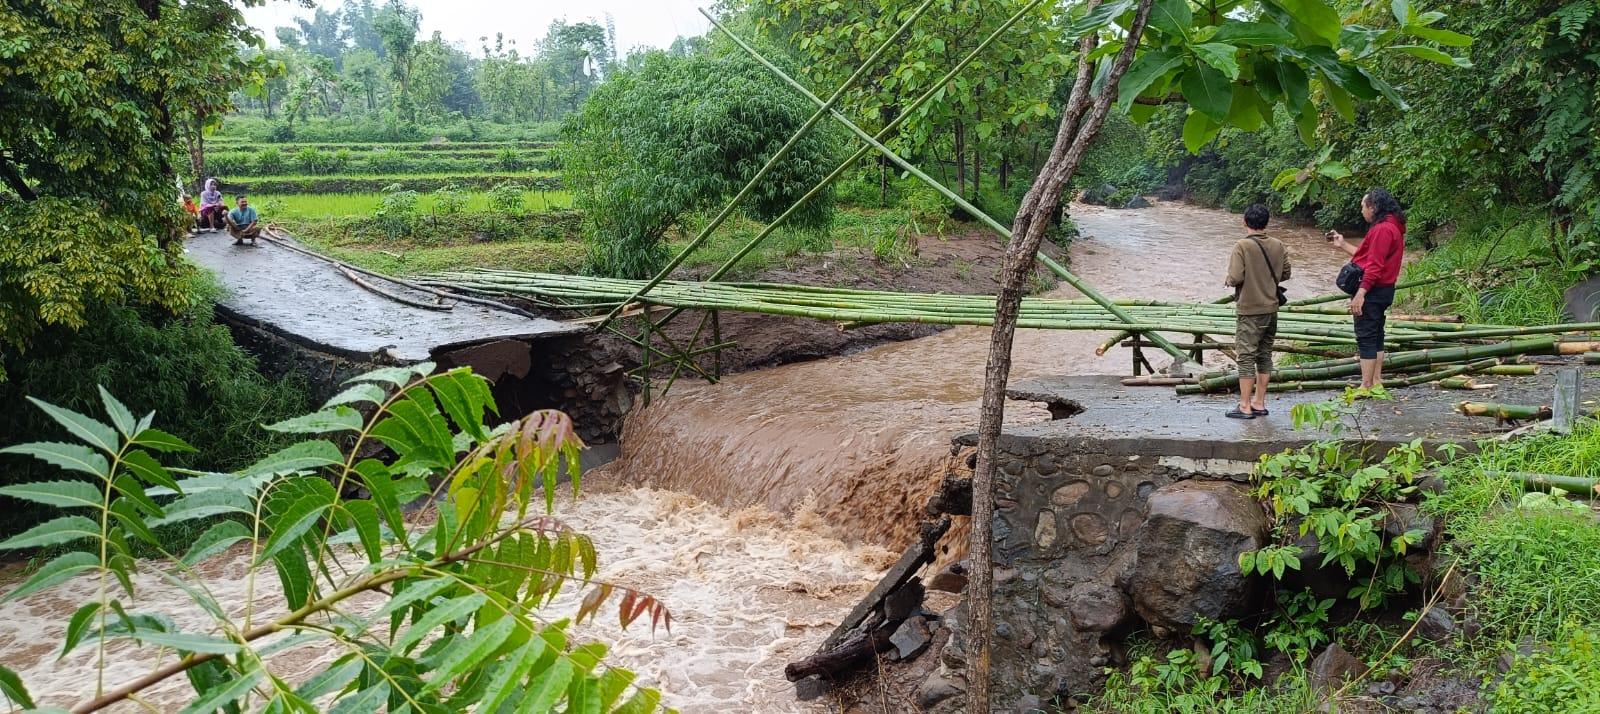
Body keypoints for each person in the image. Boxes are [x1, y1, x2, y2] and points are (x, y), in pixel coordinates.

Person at [1328, 188, 1406, 388]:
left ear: (1373, 206)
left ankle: (1366, 385)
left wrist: (1361, 293)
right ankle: (1377, 381)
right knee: (1376, 334)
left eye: (1363, 206)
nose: (1362, 210)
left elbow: (1374, 266)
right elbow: (1370, 258)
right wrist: (1343, 244)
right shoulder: (1392, 225)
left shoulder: (1382, 230)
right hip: (1385, 288)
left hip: (1373, 290)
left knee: (1366, 337)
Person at [1224, 203, 1291, 419]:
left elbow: (1235, 277)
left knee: (1245, 357)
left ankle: (1244, 405)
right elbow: (1286, 273)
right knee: (1264, 355)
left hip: (1249, 310)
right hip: (1271, 309)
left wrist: (1228, 280)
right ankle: (1259, 402)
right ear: (1266, 223)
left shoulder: (1242, 246)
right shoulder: (1278, 245)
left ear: (1245, 222)